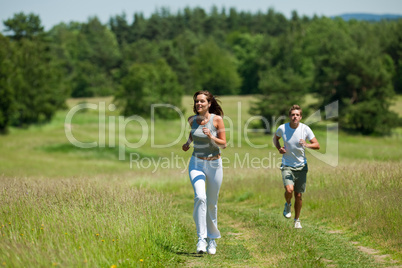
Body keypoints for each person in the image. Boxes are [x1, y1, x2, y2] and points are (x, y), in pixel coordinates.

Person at [182, 90, 227, 254]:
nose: (198, 104)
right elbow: (193, 133)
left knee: (211, 203)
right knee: (200, 197)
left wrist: (211, 137)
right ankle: (201, 239)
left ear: (209, 103)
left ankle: (212, 240)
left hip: (214, 164)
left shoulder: (217, 120)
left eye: (202, 101)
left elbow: (223, 144)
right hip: (196, 163)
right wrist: (188, 143)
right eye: (196, 101)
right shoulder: (192, 120)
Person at [273, 105, 320, 229]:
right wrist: (279, 148)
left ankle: (297, 220)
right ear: (289, 116)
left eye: (297, 115)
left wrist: (306, 144)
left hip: (301, 166)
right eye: (293, 114)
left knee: (298, 195)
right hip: (287, 165)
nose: (295, 117)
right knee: (289, 190)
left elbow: (317, 145)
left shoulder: (305, 129)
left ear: (300, 117)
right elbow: (275, 138)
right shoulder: (282, 128)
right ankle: (288, 204)